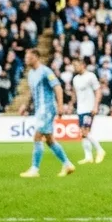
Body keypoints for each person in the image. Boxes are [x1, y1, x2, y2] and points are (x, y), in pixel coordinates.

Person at [19, 49, 76, 178]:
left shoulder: (45, 71)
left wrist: (60, 106)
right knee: (50, 140)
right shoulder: (31, 74)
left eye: (28, 57)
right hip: (39, 109)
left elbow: (57, 87)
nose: (26, 59)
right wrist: (26, 106)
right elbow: (32, 94)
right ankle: (67, 164)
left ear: (35, 57)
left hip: (48, 108)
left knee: (37, 136)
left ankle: (34, 169)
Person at [72, 55, 105, 165]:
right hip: (80, 109)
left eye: (76, 65)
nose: (75, 68)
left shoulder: (91, 76)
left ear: (83, 65)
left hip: (89, 108)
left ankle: (100, 150)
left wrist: (95, 106)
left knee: (84, 131)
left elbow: (98, 91)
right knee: (83, 133)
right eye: (74, 66)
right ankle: (88, 156)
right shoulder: (75, 79)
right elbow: (76, 94)